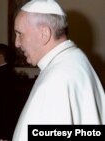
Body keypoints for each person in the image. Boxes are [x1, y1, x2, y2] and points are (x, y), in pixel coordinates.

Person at [12, 0, 105, 141]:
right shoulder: (75, 59)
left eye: (20, 34)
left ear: (44, 34)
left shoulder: (56, 80)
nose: (17, 43)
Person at [0, 43, 22, 141]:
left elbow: (3, 105)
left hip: (2, 124)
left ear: (1, 57)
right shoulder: (4, 72)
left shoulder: (3, 75)